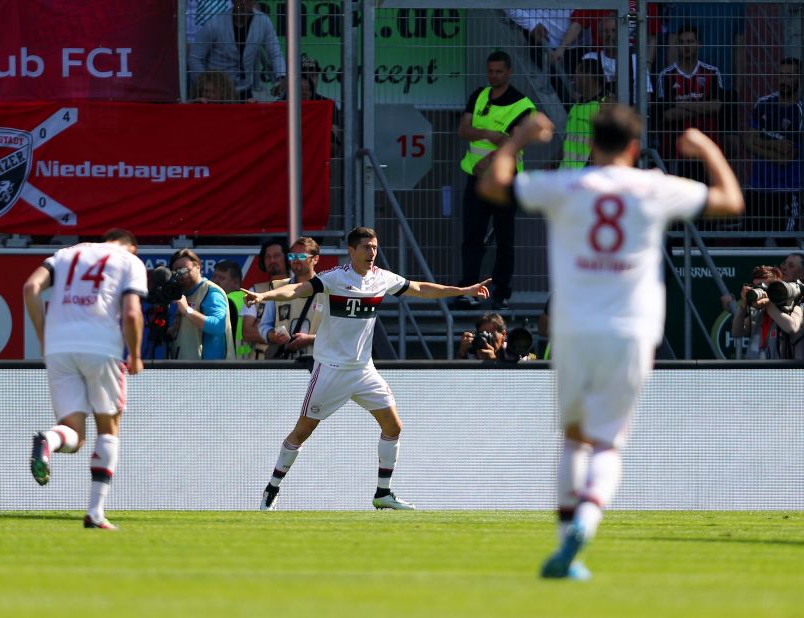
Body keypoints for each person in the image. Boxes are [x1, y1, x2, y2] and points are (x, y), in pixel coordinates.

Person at [477, 105, 743, 579]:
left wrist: (516, 141)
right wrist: (705, 148)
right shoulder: (654, 187)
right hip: (631, 330)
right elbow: (730, 201)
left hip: (575, 328)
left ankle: (566, 548)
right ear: (636, 147)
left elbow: (492, 186)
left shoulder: (568, 185)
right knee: (608, 444)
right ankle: (588, 517)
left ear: (592, 144)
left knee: (573, 441)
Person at [245, 226, 491, 512]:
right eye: (366, 247)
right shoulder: (334, 278)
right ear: (352, 251)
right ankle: (272, 488)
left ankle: (383, 493)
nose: (372, 253)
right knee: (302, 432)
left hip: (363, 371)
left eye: (374, 247)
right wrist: (264, 297)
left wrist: (462, 290)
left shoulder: (381, 279)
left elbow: (420, 288)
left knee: (393, 426)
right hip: (331, 370)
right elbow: (297, 289)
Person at [24, 229, 147, 530]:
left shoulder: (66, 254)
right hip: (101, 346)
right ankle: (95, 512)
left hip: (59, 348)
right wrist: (136, 353)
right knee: (109, 428)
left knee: (73, 434)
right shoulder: (129, 261)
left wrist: (44, 336)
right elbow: (132, 313)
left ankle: (48, 442)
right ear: (131, 247)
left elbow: (31, 287)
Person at [456, 50, 536, 310]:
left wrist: (487, 162)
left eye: (499, 71)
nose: (494, 76)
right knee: (472, 237)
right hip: (476, 180)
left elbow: (512, 143)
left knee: (504, 239)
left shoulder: (522, 105)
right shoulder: (479, 95)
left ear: (509, 72)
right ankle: (468, 290)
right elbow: (463, 129)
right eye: (491, 71)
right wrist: (490, 133)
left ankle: (501, 292)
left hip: (504, 181)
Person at [655, 25, 724, 182]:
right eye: (682, 42)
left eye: (690, 41)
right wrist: (702, 106)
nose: (686, 46)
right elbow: (667, 115)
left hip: (706, 152)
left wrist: (681, 105)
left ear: (699, 44)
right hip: (676, 152)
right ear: (677, 45)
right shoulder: (665, 76)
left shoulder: (712, 73)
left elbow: (716, 106)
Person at [743, 57, 802, 235]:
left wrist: (758, 144)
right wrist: (775, 144)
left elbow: (786, 159)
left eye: (790, 76)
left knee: (785, 243)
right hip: (757, 187)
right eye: (781, 75)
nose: (784, 80)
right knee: (751, 243)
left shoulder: (799, 112)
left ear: (799, 79)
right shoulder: (763, 104)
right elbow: (746, 140)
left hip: (786, 190)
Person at [188, 0, 285, 100]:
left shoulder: (263, 22)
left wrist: (281, 77)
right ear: (233, 1)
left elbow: (275, 53)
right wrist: (206, 85)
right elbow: (194, 58)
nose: (243, 2)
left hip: (245, 91)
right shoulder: (214, 24)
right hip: (217, 94)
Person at [258, 237, 326, 359]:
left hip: (319, 365)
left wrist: (311, 339)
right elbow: (264, 326)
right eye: (291, 256)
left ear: (315, 259)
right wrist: (271, 335)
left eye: (300, 256)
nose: (295, 260)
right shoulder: (277, 287)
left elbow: (339, 332)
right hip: (286, 366)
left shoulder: (328, 290)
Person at [169, 248, 234, 360]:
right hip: (184, 370)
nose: (181, 275)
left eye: (185, 270)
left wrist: (187, 310)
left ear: (198, 267)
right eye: (177, 271)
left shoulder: (211, 291)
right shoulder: (179, 293)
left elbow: (218, 326)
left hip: (210, 372)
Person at [243, 239, 291, 359]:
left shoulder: (301, 289)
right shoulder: (254, 291)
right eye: (268, 257)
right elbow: (247, 332)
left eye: (277, 256)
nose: (272, 260)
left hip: (293, 363)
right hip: (261, 364)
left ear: (287, 258)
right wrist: (273, 336)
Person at [559, 59, 609, 169]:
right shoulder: (576, 107)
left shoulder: (605, 106)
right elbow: (567, 142)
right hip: (566, 176)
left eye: (577, 74)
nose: (573, 79)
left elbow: (605, 147)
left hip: (585, 178)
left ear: (588, 76)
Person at [211, 259, 252, 359]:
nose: (216, 281)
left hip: (229, 362)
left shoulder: (223, 301)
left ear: (236, 283)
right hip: (250, 362)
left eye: (222, 278)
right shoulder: (250, 298)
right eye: (214, 276)